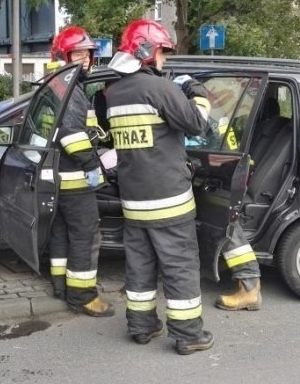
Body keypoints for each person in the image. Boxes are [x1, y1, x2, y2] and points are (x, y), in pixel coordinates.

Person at [106, 19, 214, 355]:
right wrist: (196, 93)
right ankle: (188, 335)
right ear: (147, 52)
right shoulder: (161, 89)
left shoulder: (113, 94)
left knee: (140, 266)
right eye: (162, 52)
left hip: (134, 201)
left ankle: (142, 327)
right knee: (179, 265)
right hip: (169, 200)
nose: (165, 58)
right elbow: (198, 124)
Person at [46, 26, 114, 317]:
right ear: (64, 55)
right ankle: (83, 296)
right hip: (75, 179)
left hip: (58, 177)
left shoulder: (56, 84)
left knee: (62, 233)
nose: (85, 58)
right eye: (78, 53)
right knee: (86, 236)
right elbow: (72, 137)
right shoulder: (69, 90)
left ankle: (61, 286)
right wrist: (95, 168)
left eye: (88, 53)